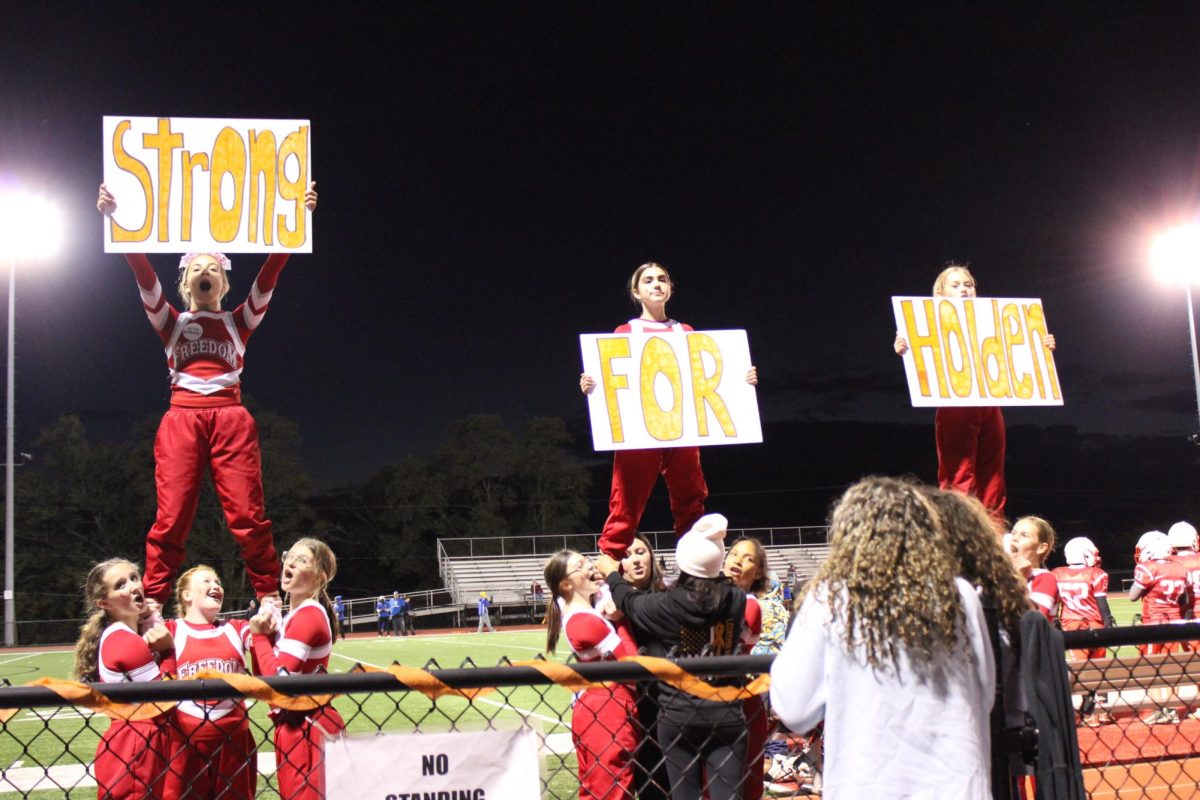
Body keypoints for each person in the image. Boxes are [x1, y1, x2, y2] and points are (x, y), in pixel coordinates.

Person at [96, 182, 318, 607]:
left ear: (223, 283)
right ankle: (156, 603)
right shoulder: (170, 322)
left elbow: (270, 275)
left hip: (230, 418)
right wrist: (115, 220)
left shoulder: (241, 321)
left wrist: (298, 222)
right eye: (196, 268)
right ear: (184, 282)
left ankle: (268, 594)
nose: (204, 272)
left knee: (247, 515)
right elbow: (142, 274)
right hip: (181, 418)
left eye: (213, 268)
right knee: (172, 516)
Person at [769, 477, 995, 799]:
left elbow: (794, 708)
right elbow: (984, 696)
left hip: (869, 785)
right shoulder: (960, 594)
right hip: (957, 785)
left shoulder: (830, 597)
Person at [580, 262, 758, 559]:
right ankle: (608, 569)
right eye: (648, 280)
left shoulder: (685, 331)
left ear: (670, 288)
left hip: (682, 426)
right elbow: (615, 379)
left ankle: (696, 570)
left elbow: (704, 374)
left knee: (691, 498)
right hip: (641, 430)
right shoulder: (624, 331)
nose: (656, 284)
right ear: (637, 292)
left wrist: (742, 380)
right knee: (625, 501)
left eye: (662, 279)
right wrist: (591, 385)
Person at [596, 513, 749, 800]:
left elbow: (629, 601)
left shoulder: (667, 604)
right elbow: (719, 583)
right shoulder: (736, 599)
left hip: (679, 716)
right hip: (727, 712)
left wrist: (612, 575)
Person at [894, 263, 1055, 521]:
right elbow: (920, 352)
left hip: (990, 401)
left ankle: (993, 533)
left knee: (993, 474)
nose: (964, 290)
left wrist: (1039, 343)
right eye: (955, 285)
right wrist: (904, 347)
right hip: (956, 402)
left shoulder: (993, 320)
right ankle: (959, 530)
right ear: (941, 293)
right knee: (959, 473)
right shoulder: (928, 320)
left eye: (968, 285)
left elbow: (1015, 351)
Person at [72, 559, 175, 800]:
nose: (133, 586)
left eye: (134, 578)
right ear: (104, 603)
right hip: (136, 746)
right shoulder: (124, 640)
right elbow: (165, 704)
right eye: (120, 585)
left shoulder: (127, 635)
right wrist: (168, 653)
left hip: (139, 743)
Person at [249, 538, 344, 800]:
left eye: (302, 560)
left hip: (309, 725)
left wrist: (259, 638)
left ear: (319, 577)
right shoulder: (293, 616)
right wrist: (264, 639)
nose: (290, 562)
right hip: (294, 726)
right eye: (289, 556)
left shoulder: (309, 614)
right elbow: (264, 683)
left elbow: (280, 683)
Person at [544, 550, 639, 800]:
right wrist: (620, 619)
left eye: (587, 560)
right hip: (607, 709)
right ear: (566, 583)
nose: (590, 566)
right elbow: (631, 664)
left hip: (599, 705)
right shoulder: (584, 621)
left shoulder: (586, 612)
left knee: (597, 789)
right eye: (581, 565)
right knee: (613, 790)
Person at [164, 565, 255, 800]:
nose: (216, 586)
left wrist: (266, 622)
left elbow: (259, 638)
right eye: (207, 581)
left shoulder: (236, 628)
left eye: (218, 582)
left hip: (234, 742)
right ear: (186, 595)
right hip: (185, 742)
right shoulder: (171, 630)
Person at [620, 533, 669, 800]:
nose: (636, 560)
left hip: (670, 704)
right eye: (627, 556)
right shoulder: (608, 607)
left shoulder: (668, 595)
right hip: (633, 709)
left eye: (641, 552)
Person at [723, 536, 769, 800]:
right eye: (734, 554)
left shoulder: (748, 604)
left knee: (744, 785)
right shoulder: (715, 596)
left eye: (748, 558)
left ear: (759, 571)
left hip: (741, 703)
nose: (738, 560)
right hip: (714, 700)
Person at [1053, 537, 1114, 661]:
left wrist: (1055, 622)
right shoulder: (1096, 573)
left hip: (1071, 624)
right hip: (1095, 623)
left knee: (1080, 667)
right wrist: (1108, 625)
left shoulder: (1057, 573)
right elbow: (1102, 605)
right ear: (1084, 554)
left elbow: (1055, 604)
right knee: (1099, 665)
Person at [1130, 530, 1190, 656]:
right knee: (1169, 663)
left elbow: (1133, 596)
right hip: (1174, 623)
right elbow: (1184, 600)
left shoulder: (1148, 568)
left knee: (1148, 665)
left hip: (1153, 622)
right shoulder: (1180, 567)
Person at [1008, 515, 1060, 623]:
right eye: (1013, 533)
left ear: (1041, 548)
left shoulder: (1045, 578)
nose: (1014, 538)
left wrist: (1019, 579)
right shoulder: (1001, 574)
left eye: (1024, 535)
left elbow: (1035, 620)